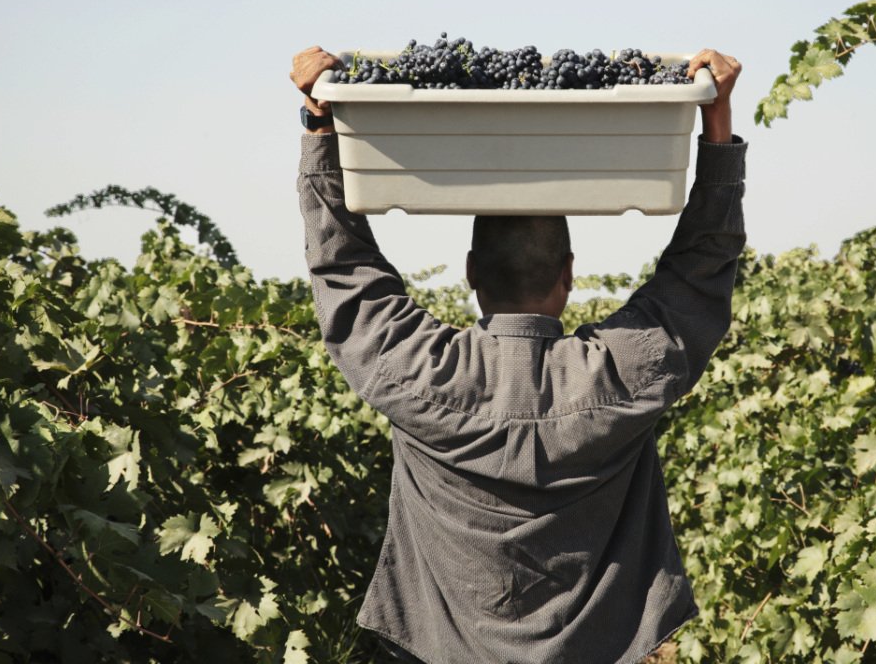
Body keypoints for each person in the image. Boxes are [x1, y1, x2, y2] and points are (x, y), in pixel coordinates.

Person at [291, 45, 746, 664]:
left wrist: (322, 126)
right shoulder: (622, 373)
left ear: (472, 272)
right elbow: (701, 272)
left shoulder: (417, 371)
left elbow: (341, 268)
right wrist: (715, 124)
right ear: (569, 275)